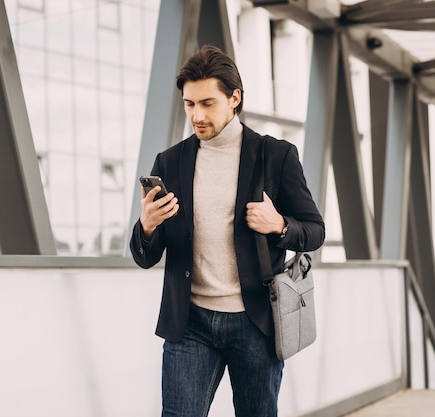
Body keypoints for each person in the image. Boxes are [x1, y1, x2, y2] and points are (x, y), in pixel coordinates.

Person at [129, 45, 325, 417]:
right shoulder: (169, 162)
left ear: (234, 98)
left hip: (255, 321)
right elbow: (144, 256)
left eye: (207, 103)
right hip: (190, 322)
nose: (197, 115)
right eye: (189, 104)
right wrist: (148, 226)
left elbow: (315, 231)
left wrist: (279, 225)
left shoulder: (276, 156)